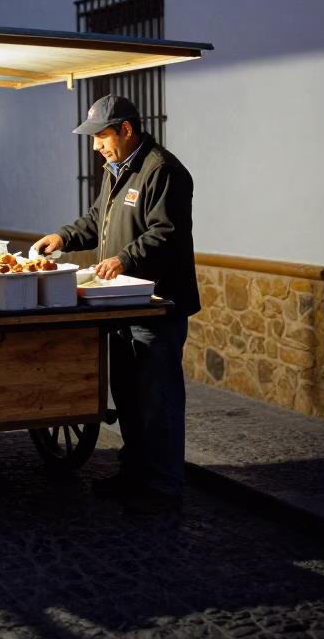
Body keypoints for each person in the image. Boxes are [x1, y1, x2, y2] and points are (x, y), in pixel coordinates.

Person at [34, 94, 199, 515]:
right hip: (122, 303)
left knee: (157, 399)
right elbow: (96, 221)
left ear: (126, 130)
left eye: (101, 137)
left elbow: (166, 232)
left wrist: (124, 258)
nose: (96, 146)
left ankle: (163, 486)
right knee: (127, 395)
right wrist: (64, 238)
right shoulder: (116, 170)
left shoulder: (162, 170)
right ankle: (133, 473)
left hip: (157, 305)